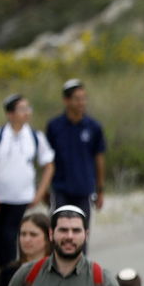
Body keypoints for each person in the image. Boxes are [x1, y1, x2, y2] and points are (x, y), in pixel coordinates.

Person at [0, 94, 55, 269]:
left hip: (21, 197)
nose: (26, 113)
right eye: (22, 109)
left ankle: (11, 273)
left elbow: (49, 165)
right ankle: (3, 270)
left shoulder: (35, 137)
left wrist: (40, 192)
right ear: (10, 113)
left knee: (11, 236)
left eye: (28, 109)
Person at [45, 79, 107, 223]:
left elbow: (99, 158)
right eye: (77, 99)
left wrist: (100, 189)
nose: (81, 103)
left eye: (84, 99)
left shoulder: (93, 127)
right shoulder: (54, 127)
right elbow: (47, 160)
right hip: (61, 189)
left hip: (83, 189)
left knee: (80, 234)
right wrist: (44, 188)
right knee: (60, 233)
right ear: (66, 101)